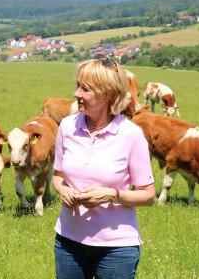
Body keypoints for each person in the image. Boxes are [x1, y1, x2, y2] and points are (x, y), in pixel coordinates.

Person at [51, 57, 156, 279]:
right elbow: (57, 177)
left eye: (85, 89)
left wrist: (111, 195)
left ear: (106, 94)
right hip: (68, 242)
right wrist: (63, 190)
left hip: (116, 249)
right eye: (77, 86)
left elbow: (148, 196)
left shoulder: (131, 135)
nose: (76, 93)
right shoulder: (68, 126)